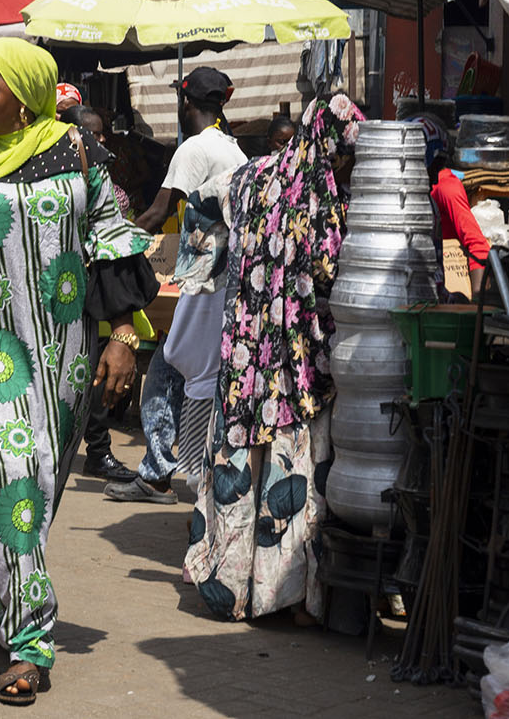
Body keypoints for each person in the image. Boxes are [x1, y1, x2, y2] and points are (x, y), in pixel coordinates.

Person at [0, 38, 157, 706]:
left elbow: (110, 238)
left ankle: (1, 595)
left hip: (66, 349)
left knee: (37, 481)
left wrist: (124, 333)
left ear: (26, 95)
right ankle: (30, 643)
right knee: (16, 479)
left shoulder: (77, 154)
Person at [184, 93, 360, 623]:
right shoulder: (333, 200)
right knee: (295, 469)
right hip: (301, 365)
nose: (347, 163)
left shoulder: (249, 178)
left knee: (246, 462)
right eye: (346, 152)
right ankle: (289, 596)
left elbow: (200, 202)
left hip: (244, 352)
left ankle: (235, 587)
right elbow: (333, 277)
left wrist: (207, 275)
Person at [108, 67, 247, 505]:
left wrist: (115, 241)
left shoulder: (195, 148)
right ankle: (179, 472)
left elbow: (157, 211)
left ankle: (164, 474)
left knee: (168, 371)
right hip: (226, 280)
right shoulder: (234, 149)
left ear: (186, 104)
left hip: (204, 284)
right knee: (193, 376)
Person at [55, 105, 147, 485]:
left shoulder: (102, 172)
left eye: (102, 133)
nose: (100, 139)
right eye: (90, 133)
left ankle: (97, 449)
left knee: (94, 374)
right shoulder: (59, 172)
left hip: (96, 287)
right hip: (60, 289)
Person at [418, 118, 489, 295]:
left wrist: (476, 306)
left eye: (439, 164)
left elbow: (478, 246)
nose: (435, 173)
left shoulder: (446, 188)